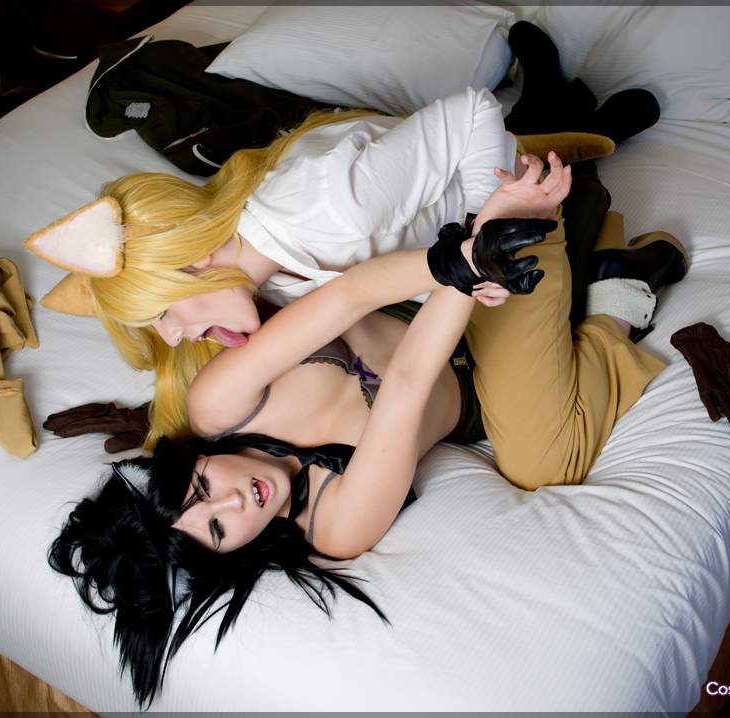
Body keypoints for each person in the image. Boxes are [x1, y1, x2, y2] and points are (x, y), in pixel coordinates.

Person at [49, 152, 689, 706]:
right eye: (219, 529)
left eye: (202, 489)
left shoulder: (220, 402)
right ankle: (617, 297)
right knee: (546, 462)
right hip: (470, 373)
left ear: (189, 461)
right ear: (231, 555)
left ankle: (549, 219)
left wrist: (463, 254)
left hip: (419, 282)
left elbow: (349, 296)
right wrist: (476, 269)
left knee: (515, 229)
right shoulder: (335, 527)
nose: (236, 500)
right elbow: (406, 384)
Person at [29, 87, 620, 444]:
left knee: (542, 452)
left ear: (193, 257)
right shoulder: (264, 276)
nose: (174, 336)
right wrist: (164, 424)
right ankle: (556, 129)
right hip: (448, 263)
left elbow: (473, 111)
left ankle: (611, 255)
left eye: (162, 315)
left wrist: (478, 236)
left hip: (501, 224)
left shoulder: (331, 207)